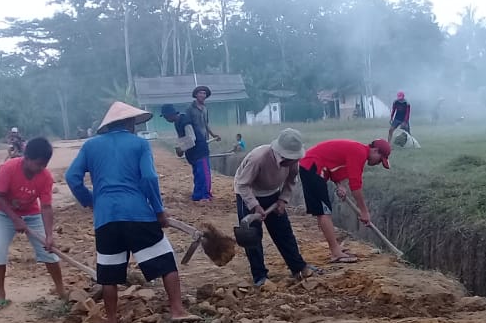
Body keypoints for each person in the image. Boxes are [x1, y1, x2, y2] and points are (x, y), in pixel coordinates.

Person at [65, 102, 197, 323]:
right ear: (128, 123)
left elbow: (72, 177)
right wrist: (159, 211)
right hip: (137, 214)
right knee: (166, 261)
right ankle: (177, 309)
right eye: (134, 123)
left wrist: (90, 201)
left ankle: (113, 322)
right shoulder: (139, 145)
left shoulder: (90, 146)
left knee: (109, 271)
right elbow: (149, 179)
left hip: (106, 218)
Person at [0, 137, 65, 309]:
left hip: (32, 213)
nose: (41, 168)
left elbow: (46, 207)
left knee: (49, 252)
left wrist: (49, 235)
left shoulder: (45, 177)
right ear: (27, 158)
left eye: (44, 164)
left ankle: (61, 291)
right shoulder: (9, 168)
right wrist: (15, 219)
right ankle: (0, 295)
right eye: (38, 164)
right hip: (3, 213)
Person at [233, 128, 313, 287]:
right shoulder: (259, 158)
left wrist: (283, 199)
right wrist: (255, 206)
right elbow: (243, 185)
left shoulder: (293, 161)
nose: (293, 162)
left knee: (284, 232)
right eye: (290, 159)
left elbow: (291, 181)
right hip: (249, 193)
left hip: (273, 193)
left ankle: (298, 267)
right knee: (252, 236)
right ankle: (259, 276)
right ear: (282, 154)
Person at [298, 138, 391, 264]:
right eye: (380, 160)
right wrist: (364, 211)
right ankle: (336, 252)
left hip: (312, 166)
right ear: (375, 150)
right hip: (312, 165)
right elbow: (355, 186)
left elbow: (334, 164)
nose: (378, 163)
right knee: (324, 212)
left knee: (323, 211)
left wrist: (339, 184)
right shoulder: (359, 153)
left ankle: (335, 249)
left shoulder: (358, 150)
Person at [162, 87, 222, 201]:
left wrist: (182, 149)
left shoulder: (185, 120)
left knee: (204, 173)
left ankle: (205, 195)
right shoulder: (178, 121)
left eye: (165, 117)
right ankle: (197, 195)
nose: (165, 119)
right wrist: (180, 147)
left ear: (170, 115)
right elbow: (181, 137)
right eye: (200, 93)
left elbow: (192, 137)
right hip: (192, 151)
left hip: (200, 148)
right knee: (197, 173)